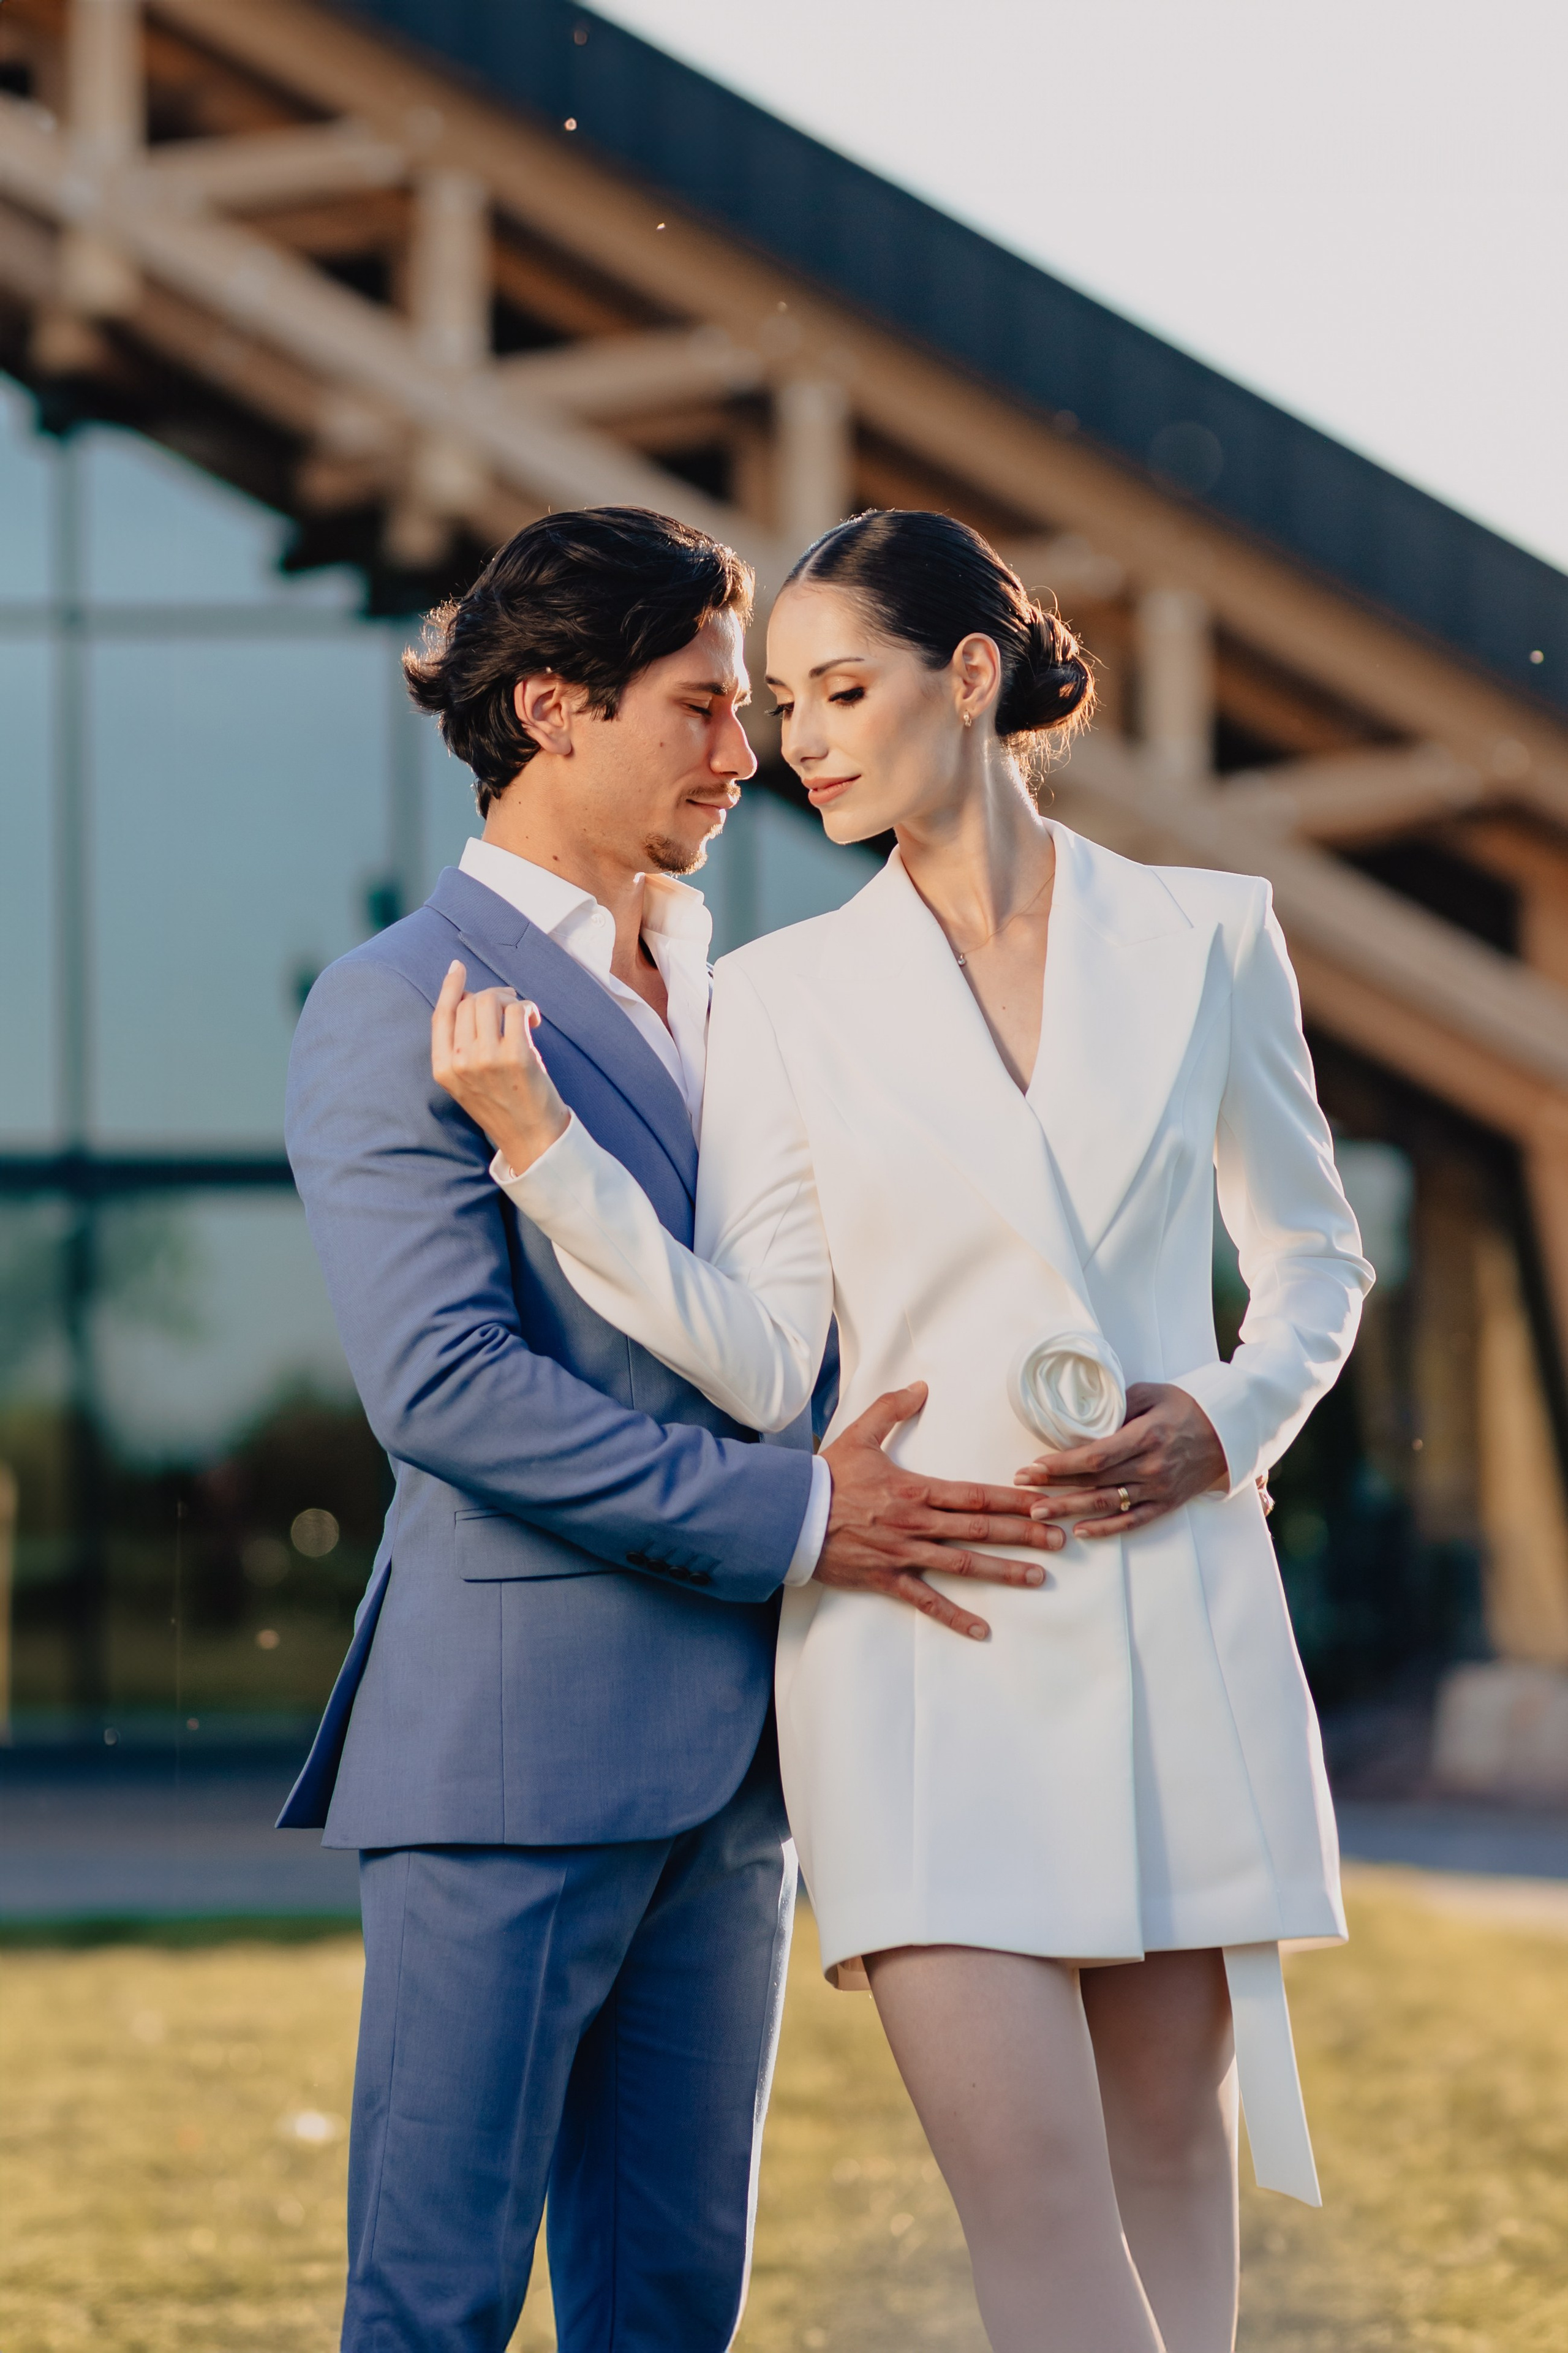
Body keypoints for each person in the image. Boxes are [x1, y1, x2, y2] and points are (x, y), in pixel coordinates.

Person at [431, 508, 1374, 2353]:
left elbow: (1317, 1257)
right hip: (919, 1649)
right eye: (779, 702)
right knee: (1035, 2201)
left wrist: (1229, 1414)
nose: (797, 739)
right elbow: (760, 1344)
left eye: (839, 688)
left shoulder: (1210, 936)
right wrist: (549, 1161)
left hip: (1170, 1606)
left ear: (972, 673)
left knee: (1173, 2165)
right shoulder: (779, 997)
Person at [278, 505, 1059, 2353]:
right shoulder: (394, 1005)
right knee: (435, 2298)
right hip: (510, 1758)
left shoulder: (750, 995)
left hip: (745, 1768)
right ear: (552, 707)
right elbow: (449, 1388)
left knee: (672, 2306)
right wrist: (798, 1516)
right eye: (703, 708)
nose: (751, 752)